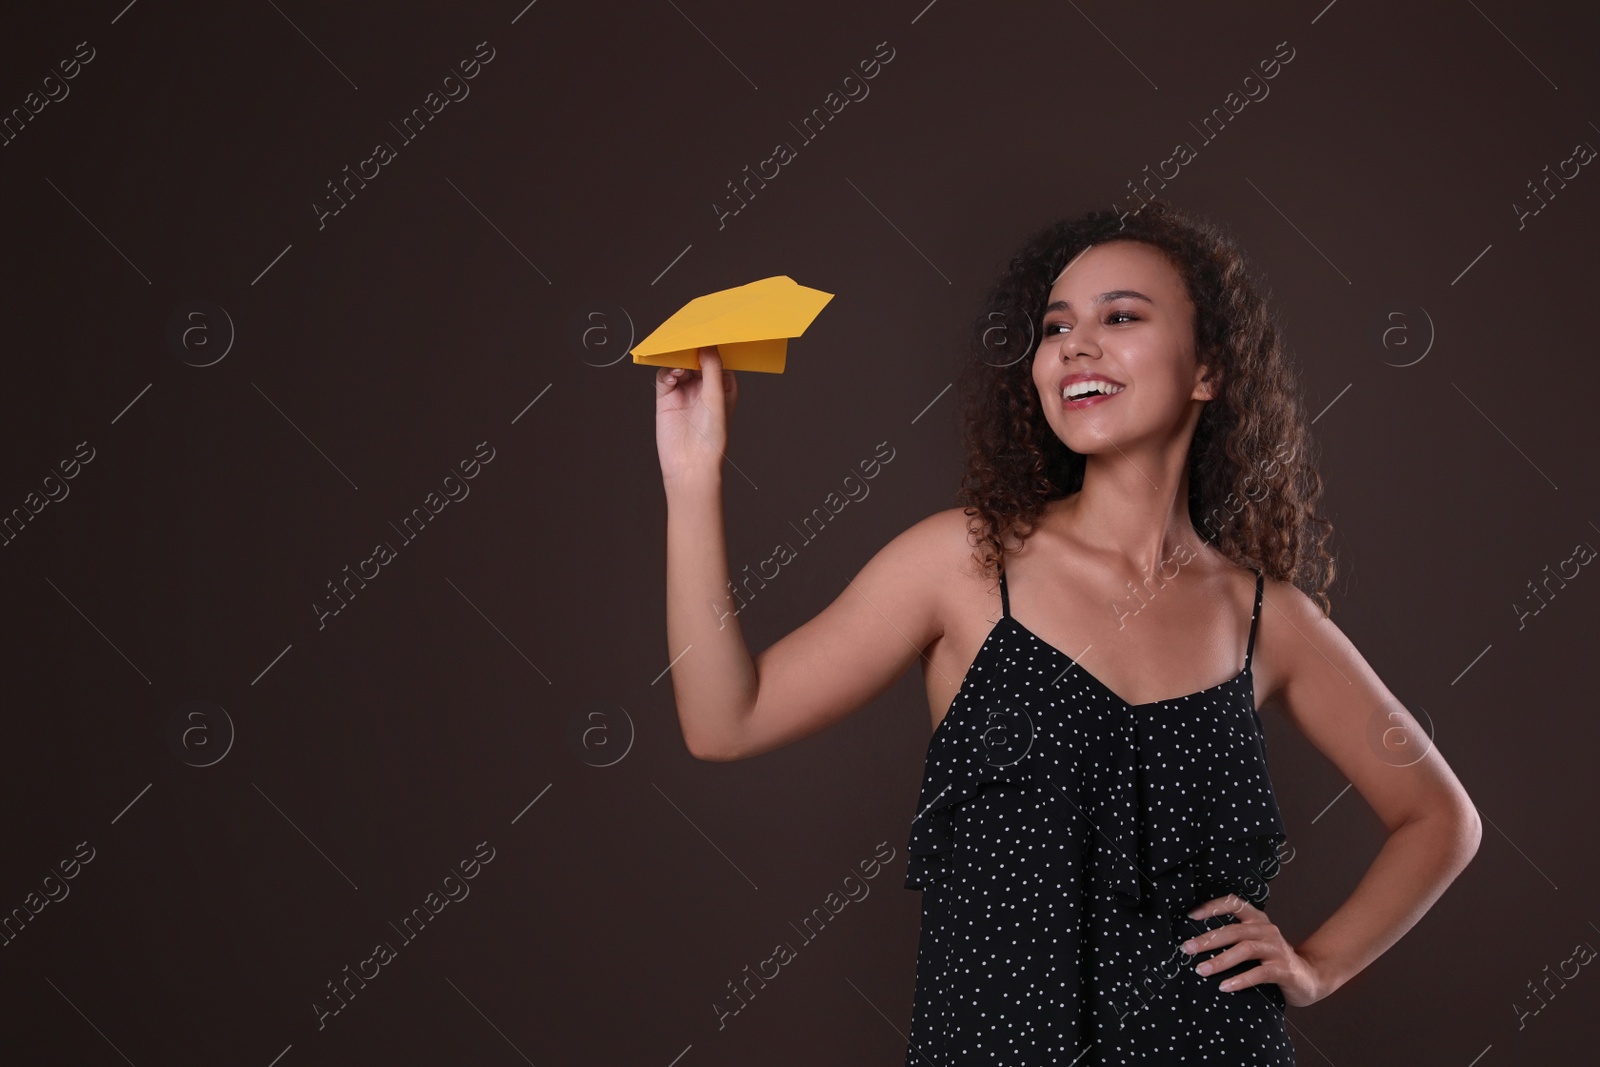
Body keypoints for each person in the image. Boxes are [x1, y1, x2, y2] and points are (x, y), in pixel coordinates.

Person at [654, 198, 1481, 1064]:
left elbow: (1438, 818)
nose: (1075, 345)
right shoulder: (963, 564)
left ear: (1208, 369)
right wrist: (692, 476)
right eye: (1055, 327)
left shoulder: (1265, 618)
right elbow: (725, 719)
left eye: (1120, 316)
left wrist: (1314, 966)